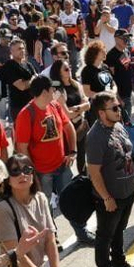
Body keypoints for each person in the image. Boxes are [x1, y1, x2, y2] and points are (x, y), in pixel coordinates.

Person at [14, 78, 91, 247]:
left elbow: (68, 127)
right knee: (44, 206)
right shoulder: (26, 115)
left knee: (71, 200)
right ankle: (51, 238)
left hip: (61, 165)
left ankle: (81, 233)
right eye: (51, 90)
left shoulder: (55, 106)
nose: (54, 93)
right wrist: (30, 172)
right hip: (41, 171)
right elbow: (22, 148)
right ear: (43, 92)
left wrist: (72, 151)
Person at [84, 91, 134, 267]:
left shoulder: (118, 125)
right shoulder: (95, 136)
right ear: (101, 113)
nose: (119, 111)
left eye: (119, 106)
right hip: (110, 197)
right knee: (105, 236)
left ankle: (119, 263)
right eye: (114, 108)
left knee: (118, 231)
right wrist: (106, 197)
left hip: (126, 193)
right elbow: (94, 172)